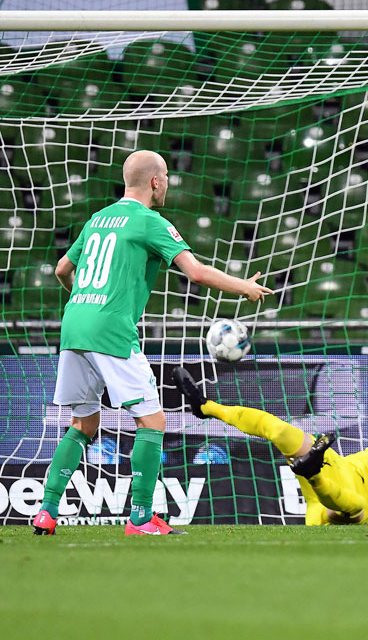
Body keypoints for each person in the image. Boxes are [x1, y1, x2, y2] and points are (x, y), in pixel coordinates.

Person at [32, 150, 274, 537]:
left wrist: (83, 301)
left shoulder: (97, 219)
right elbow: (194, 273)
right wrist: (243, 286)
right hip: (110, 330)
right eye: (166, 180)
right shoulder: (150, 221)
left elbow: (63, 268)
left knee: (83, 423)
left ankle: (46, 511)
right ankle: (141, 518)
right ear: (156, 182)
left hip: (74, 324)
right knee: (153, 421)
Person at [173, 366, 368, 525]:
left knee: (356, 508)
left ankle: (311, 470)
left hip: (327, 511)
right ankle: (207, 406)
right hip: (341, 471)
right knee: (280, 430)